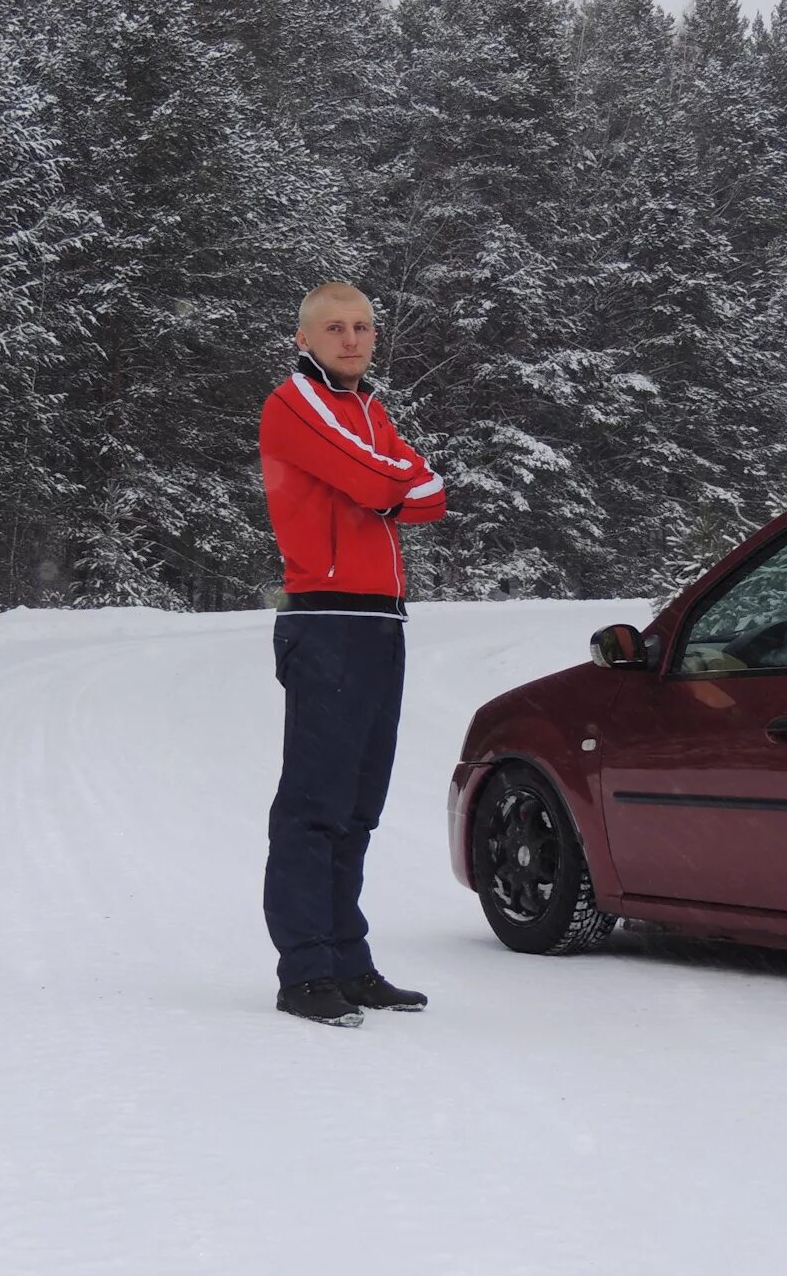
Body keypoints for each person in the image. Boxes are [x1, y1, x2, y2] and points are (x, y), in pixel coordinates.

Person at [257, 282, 447, 1027]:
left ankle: (348, 960)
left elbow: (430, 494)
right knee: (314, 803)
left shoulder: (371, 410)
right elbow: (381, 482)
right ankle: (304, 971)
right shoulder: (293, 401)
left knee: (360, 806)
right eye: (335, 328)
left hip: (382, 622)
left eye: (363, 327)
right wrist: (391, 484)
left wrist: (391, 485)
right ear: (305, 338)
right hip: (327, 619)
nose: (351, 339)